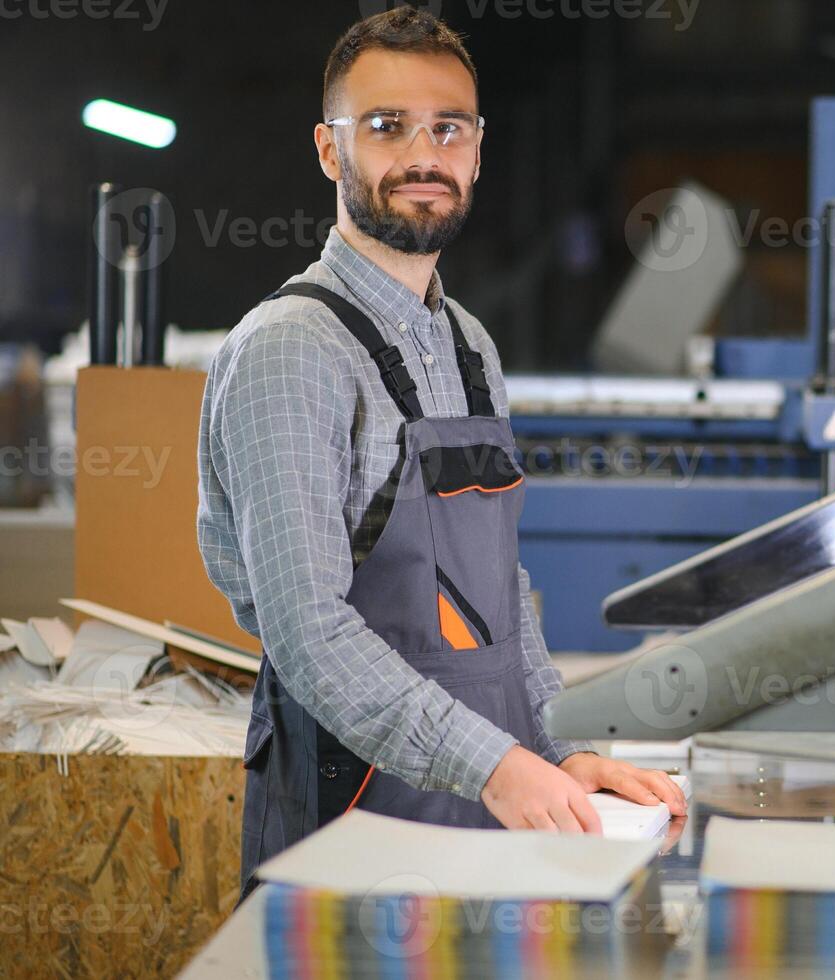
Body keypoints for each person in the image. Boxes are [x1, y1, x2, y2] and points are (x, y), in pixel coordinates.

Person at [196, 7, 685, 900]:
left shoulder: (468, 344)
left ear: (476, 148)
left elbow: (499, 593)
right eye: (386, 127)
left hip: (482, 806)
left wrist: (557, 748)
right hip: (351, 819)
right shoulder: (291, 350)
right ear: (328, 150)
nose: (424, 154)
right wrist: (497, 766)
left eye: (448, 128)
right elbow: (308, 635)